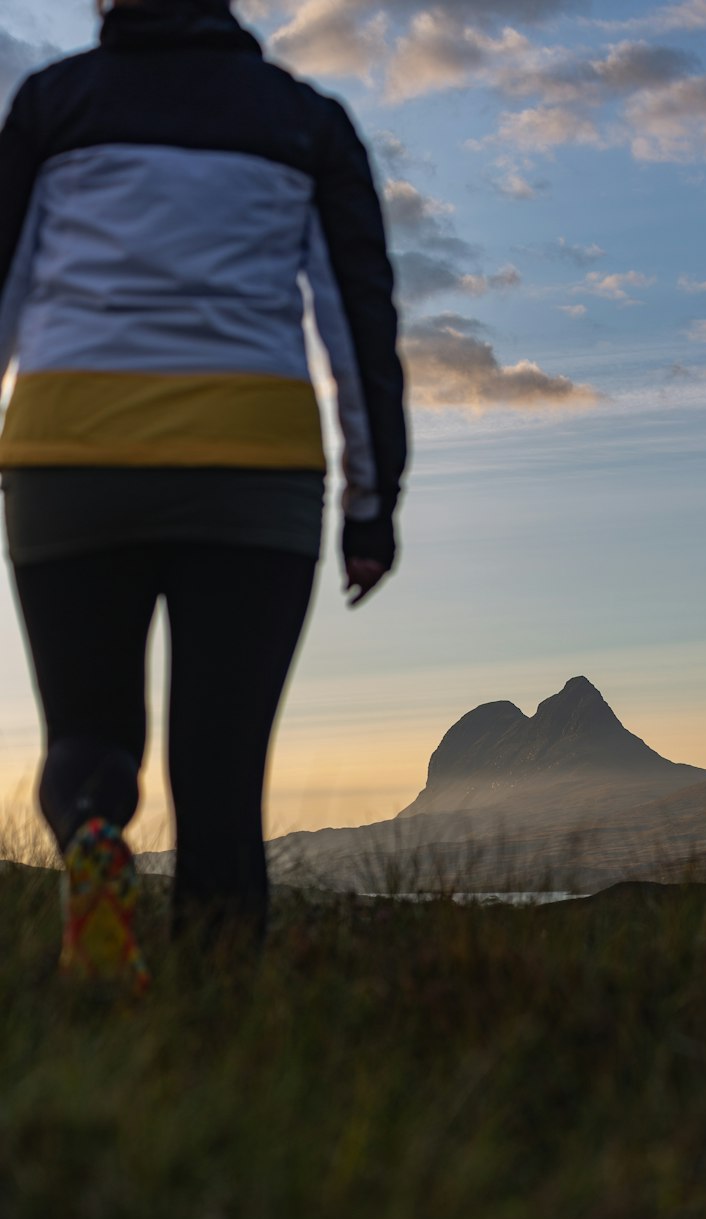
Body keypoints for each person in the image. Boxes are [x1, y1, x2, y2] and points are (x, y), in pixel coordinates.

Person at [0, 0, 407, 993]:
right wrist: (370, 499)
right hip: (252, 468)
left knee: (89, 739)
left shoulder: (55, 105)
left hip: (70, 452)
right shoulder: (303, 121)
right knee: (221, 772)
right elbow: (356, 325)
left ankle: (96, 839)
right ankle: (215, 1019)